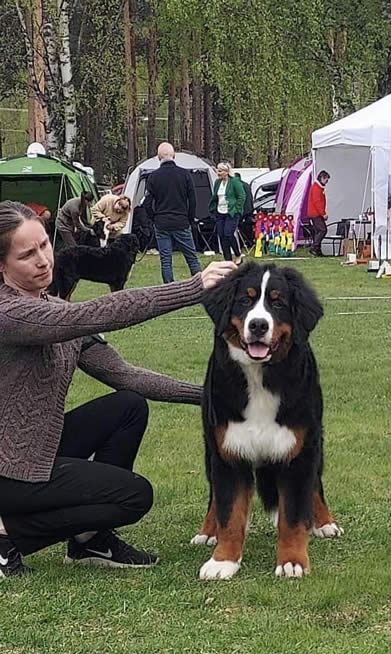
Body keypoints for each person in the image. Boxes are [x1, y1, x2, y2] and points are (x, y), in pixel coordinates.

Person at [0, 200, 236, 579]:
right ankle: (8, 535)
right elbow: (95, 313)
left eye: (44, 245)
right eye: (27, 254)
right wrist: (192, 287)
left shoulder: (56, 310)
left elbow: (126, 376)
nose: (44, 260)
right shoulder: (11, 313)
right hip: (8, 470)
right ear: (2, 266)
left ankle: (89, 540)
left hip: (39, 450)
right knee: (133, 496)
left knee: (128, 405)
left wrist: (210, 395)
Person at [143, 142, 202, 283]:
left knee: (166, 260)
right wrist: (189, 218)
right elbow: (193, 200)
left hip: (162, 223)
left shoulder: (153, 177)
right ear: (174, 156)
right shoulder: (185, 174)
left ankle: (169, 291)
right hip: (181, 222)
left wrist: (154, 218)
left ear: (158, 157)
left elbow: (146, 203)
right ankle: (200, 287)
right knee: (192, 258)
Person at [209, 162, 246, 264]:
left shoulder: (235, 182)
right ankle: (228, 260)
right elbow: (215, 197)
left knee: (228, 234)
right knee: (221, 235)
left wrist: (236, 208)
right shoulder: (217, 182)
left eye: (220, 171)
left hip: (231, 212)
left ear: (226, 172)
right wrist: (213, 208)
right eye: (218, 170)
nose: (218, 172)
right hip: (220, 212)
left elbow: (241, 196)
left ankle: (237, 254)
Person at [307, 170, 330, 257]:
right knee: (323, 230)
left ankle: (317, 251)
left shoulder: (318, 187)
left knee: (318, 231)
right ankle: (314, 247)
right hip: (315, 213)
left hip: (315, 213)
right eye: (326, 180)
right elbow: (317, 202)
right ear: (322, 178)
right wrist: (323, 213)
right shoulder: (317, 188)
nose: (326, 182)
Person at [235, 172, 255, 245]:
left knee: (240, 226)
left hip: (242, 210)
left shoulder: (238, 185)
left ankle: (241, 241)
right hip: (249, 209)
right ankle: (249, 240)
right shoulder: (246, 184)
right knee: (248, 226)